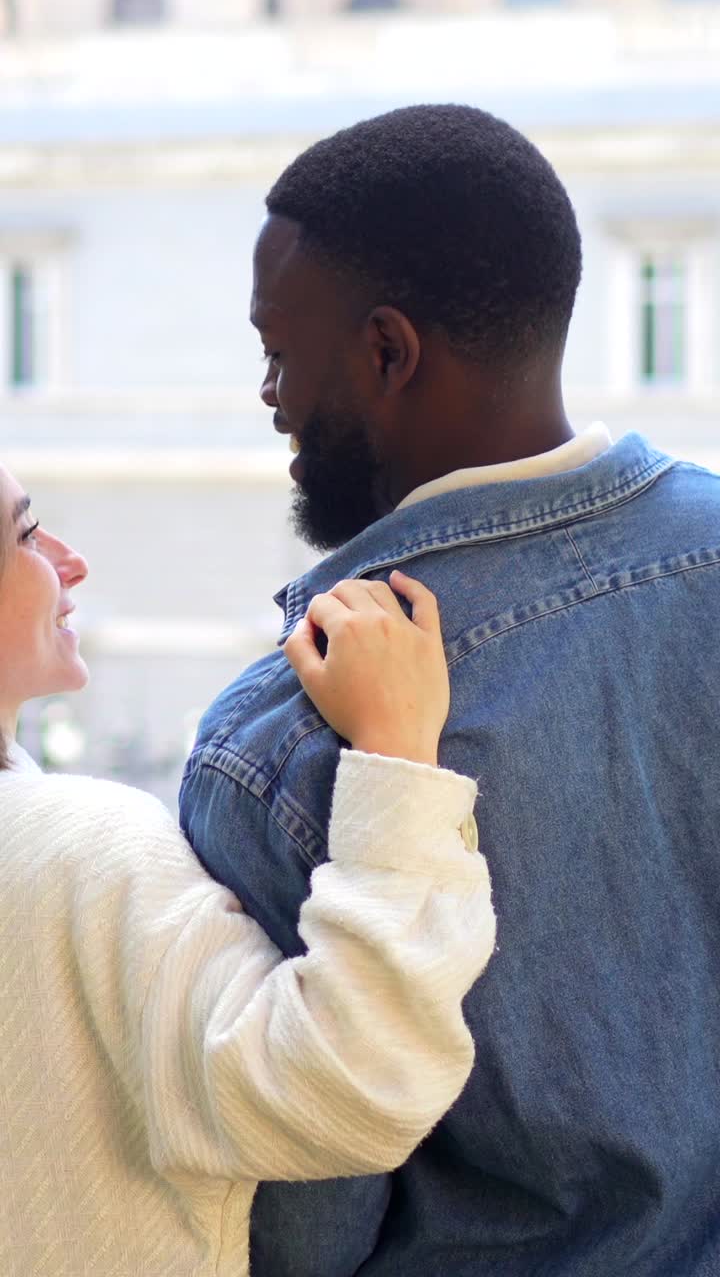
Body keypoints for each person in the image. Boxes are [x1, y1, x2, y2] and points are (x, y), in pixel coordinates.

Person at [179, 102, 720, 1277]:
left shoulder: (285, 737)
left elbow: (308, 1223)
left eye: (280, 352)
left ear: (386, 352)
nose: (268, 394)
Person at [0, 460, 497, 1277]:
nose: (68, 558)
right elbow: (346, 1087)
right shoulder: (78, 848)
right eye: (25, 534)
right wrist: (399, 758)